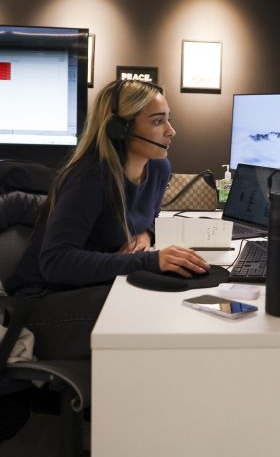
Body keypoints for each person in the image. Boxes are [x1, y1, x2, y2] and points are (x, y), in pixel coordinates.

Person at [5, 80, 209, 359]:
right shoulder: (91, 177)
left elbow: (148, 215)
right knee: (149, 308)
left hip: (89, 287)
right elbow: (55, 262)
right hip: (42, 302)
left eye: (168, 119)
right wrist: (150, 260)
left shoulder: (159, 168)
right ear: (119, 128)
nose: (170, 131)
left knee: (169, 295)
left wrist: (146, 235)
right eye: (157, 121)